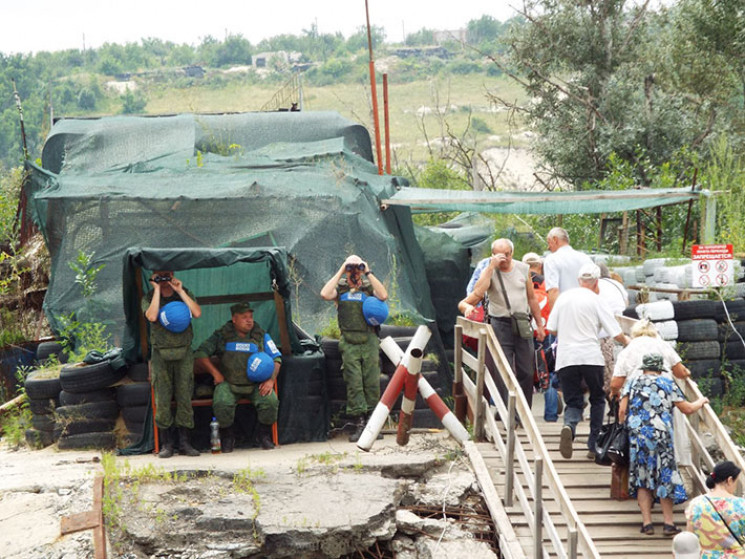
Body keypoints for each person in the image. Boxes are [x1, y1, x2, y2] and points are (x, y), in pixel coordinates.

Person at [546, 262, 630, 459]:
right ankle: (593, 445)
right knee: (598, 398)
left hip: (566, 357)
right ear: (596, 282)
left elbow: (551, 329)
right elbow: (614, 331)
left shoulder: (563, 298)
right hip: (591, 356)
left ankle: (569, 425)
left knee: (573, 400)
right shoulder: (597, 300)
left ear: (578, 280)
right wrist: (629, 342)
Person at [619, 353, 708, 537]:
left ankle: (647, 524)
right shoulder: (667, 383)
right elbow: (687, 408)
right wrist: (701, 401)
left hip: (639, 438)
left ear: (644, 368)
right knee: (665, 476)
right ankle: (668, 524)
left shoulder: (632, 383)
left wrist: (625, 426)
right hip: (662, 437)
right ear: (660, 369)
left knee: (642, 478)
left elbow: (621, 410)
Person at [458, 239, 545, 409]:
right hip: (500, 324)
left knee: (526, 371)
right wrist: (491, 267)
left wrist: (540, 324)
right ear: (493, 254)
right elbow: (478, 291)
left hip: (521, 323)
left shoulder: (523, 269)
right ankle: (508, 412)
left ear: (511, 253)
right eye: (499, 254)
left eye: (506, 254)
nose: (504, 258)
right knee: (503, 370)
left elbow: (532, 298)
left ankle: (524, 410)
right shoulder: (488, 270)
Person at [194, 303, 281, 452]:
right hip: (229, 383)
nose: (249, 321)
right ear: (234, 319)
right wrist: (215, 373)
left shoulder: (260, 335)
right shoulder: (222, 336)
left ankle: (264, 435)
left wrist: (270, 380)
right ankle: (227, 436)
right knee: (222, 403)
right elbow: (201, 354)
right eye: (244, 317)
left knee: (270, 402)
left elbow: (276, 359)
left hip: (255, 384)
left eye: (251, 317)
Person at [320, 254, 388, 442]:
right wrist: (342, 268)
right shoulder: (340, 290)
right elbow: (325, 294)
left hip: (369, 340)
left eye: (356, 268)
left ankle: (373, 424)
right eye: (352, 268)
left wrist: (368, 271)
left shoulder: (367, 288)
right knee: (354, 382)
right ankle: (359, 423)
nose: (354, 271)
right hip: (349, 342)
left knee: (371, 381)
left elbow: (383, 295)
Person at [612, 318, 694, 466]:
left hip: (638, 401)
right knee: (666, 436)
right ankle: (667, 466)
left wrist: (616, 393)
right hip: (663, 397)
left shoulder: (628, 349)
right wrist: (687, 372)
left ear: (635, 333)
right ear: (654, 332)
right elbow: (680, 371)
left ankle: (640, 467)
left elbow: (616, 382)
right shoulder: (663, 345)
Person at [142, 270, 202, 458]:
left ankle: (185, 442)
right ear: (153, 276)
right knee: (163, 397)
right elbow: (151, 316)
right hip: (161, 352)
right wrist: (157, 289)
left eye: (167, 275)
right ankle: (167, 443)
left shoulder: (184, 293)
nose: (164, 279)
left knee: (185, 395)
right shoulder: (150, 297)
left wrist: (181, 290)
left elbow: (197, 313)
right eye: (160, 275)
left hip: (183, 351)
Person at [686, 461, 745, 557]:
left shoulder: (695, 504)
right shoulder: (741, 505)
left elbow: (690, 537)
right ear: (730, 480)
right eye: (736, 482)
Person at [596, 262, 630, 394]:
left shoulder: (595, 286)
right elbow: (626, 304)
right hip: (620, 329)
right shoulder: (617, 285)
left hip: (603, 333)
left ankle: (609, 397)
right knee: (617, 367)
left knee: (606, 370)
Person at [543, 227, 593, 309]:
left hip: (566, 311)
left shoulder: (552, 259)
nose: (548, 247)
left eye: (549, 243)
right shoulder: (585, 258)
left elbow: (553, 291)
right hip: (585, 310)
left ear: (555, 239)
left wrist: (555, 317)